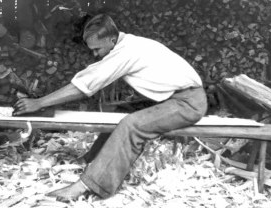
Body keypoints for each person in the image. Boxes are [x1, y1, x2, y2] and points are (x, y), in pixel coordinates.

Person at [13, 14, 208, 200]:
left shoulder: (127, 51)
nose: (95, 55)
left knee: (132, 125)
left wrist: (39, 102)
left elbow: (84, 86)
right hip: (171, 98)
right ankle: (93, 160)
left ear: (112, 40)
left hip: (187, 103)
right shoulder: (128, 43)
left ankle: (90, 185)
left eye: (97, 49)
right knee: (121, 113)